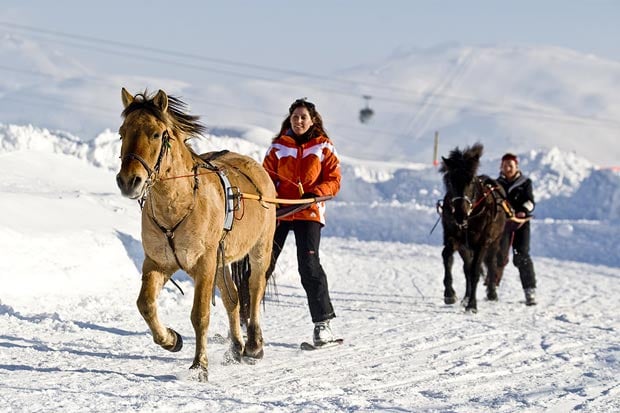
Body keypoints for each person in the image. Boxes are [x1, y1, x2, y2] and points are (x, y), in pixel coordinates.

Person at [262, 98, 341, 346]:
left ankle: (323, 325)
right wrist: (271, 199)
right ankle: (245, 321)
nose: (298, 121)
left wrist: (315, 194)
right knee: (262, 263)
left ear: (312, 120)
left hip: (309, 212)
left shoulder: (324, 147)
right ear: (290, 119)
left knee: (308, 265)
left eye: (303, 117)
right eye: (295, 117)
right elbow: (265, 178)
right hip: (281, 211)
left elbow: (334, 180)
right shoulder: (278, 148)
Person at [497, 153, 538, 306]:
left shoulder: (525, 182)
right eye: (505, 165)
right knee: (499, 256)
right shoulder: (496, 184)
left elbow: (530, 202)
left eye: (510, 165)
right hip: (502, 224)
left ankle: (530, 290)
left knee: (521, 255)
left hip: (520, 223)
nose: (507, 168)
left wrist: (522, 210)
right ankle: (492, 287)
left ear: (516, 167)